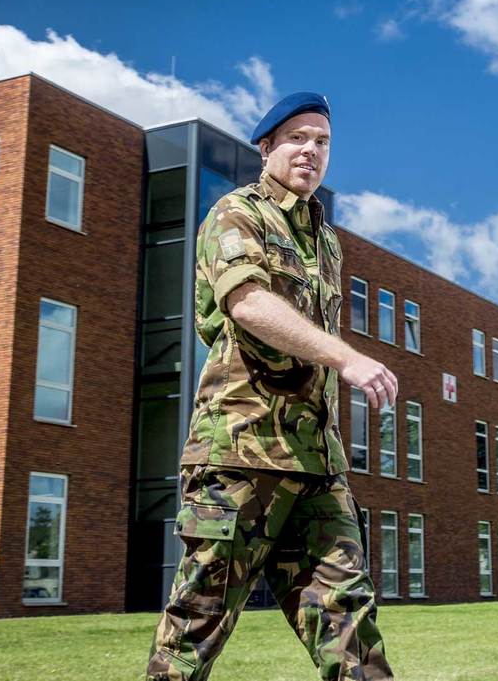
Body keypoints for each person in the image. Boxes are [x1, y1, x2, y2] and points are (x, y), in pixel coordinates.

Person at [145, 92, 397, 681]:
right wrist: (347, 357)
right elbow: (248, 303)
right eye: (297, 138)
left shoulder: (326, 240)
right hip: (242, 451)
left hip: (316, 461)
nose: (311, 150)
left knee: (349, 621)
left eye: (322, 141)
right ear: (266, 148)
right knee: (197, 624)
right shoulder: (238, 212)